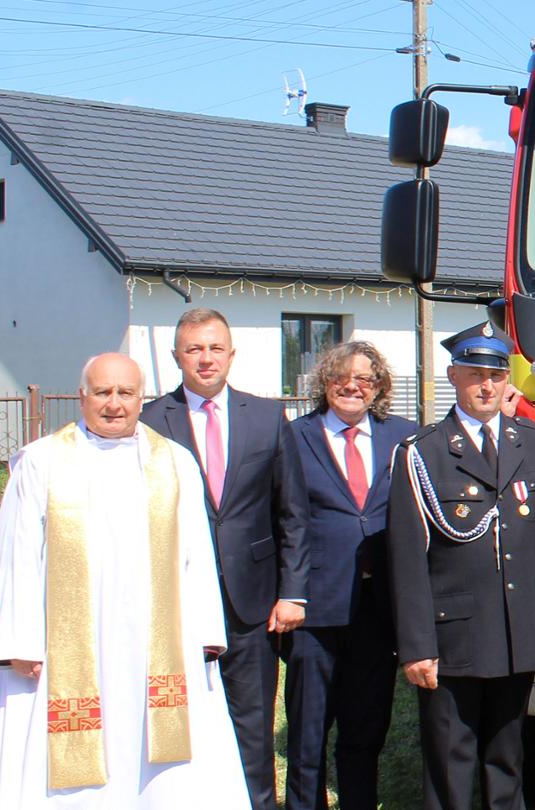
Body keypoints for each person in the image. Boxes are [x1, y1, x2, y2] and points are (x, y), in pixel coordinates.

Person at [0, 353, 248, 808]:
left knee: (160, 763)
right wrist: (19, 641)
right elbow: (16, 553)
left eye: (125, 393)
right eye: (103, 392)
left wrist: (205, 634)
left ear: (140, 398)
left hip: (157, 642)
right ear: (81, 397)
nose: (114, 404)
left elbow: (196, 553)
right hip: (66, 646)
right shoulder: (41, 462)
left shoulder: (174, 462)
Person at [387, 324, 535, 810]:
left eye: (496, 374)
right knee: (451, 763)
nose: (487, 386)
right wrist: (417, 647)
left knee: (507, 760)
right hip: (453, 638)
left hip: (516, 633)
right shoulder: (421, 453)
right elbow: (406, 562)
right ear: (452, 376)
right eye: (475, 375)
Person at [139, 307, 308, 810]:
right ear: (176, 357)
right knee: (178, 724)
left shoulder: (266, 416)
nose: (205, 358)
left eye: (215, 348)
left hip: (251, 607)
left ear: (231, 354)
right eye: (194, 349)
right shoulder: (149, 422)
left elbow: (292, 514)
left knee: (252, 727)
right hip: (176, 606)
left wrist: (292, 593)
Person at [282, 342, 418, 810]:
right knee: (307, 730)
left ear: (378, 387)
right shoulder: (294, 437)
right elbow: (280, 517)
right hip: (313, 607)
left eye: (364, 379)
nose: (352, 386)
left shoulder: (404, 436)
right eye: (342, 376)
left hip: (378, 608)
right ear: (325, 382)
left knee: (365, 727)